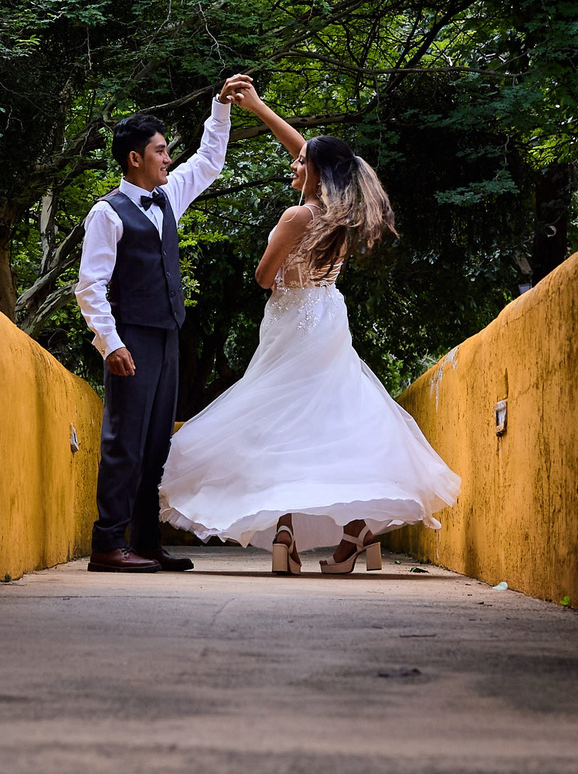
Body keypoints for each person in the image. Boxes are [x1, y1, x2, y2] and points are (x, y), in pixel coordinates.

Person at [159, 83, 460, 574]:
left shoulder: (296, 215)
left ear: (315, 173)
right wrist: (257, 107)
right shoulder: (344, 213)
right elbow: (312, 154)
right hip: (327, 317)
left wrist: (280, 259)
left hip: (289, 317)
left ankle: (285, 532)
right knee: (329, 420)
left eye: (302, 163)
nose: (294, 163)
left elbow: (261, 278)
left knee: (280, 422)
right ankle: (359, 530)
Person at [70, 77, 251, 571]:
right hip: (132, 340)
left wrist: (220, 107)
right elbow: (90, 285)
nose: (169, 158)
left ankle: (146, 542)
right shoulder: (107, 213)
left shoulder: (169, 198)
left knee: (155, 445)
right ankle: (108, 544)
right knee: (124, 442)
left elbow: (209, 161)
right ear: (135, 159)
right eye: (161, 150)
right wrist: (110, 343)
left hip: (168, 335)